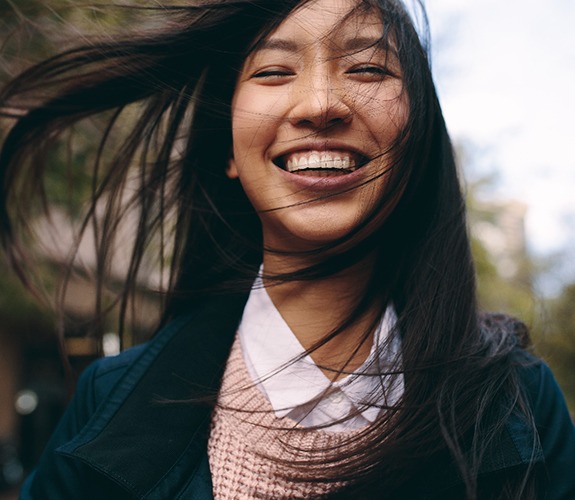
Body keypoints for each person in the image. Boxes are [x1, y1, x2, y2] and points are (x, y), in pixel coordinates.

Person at [1, 0, 574, 498]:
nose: (320, 103)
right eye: (275, 71)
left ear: (416, 142)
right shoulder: (107, 404)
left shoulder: (519, 402)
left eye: (368, 68)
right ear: (227, 150)